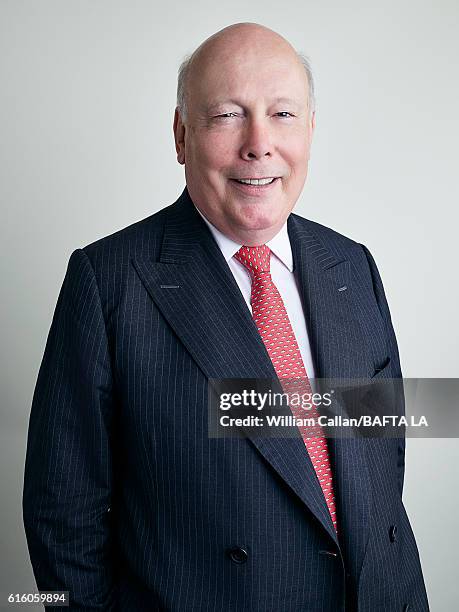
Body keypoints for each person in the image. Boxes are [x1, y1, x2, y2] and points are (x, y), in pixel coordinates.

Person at [23, 22, 429, 612]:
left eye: (283, 114)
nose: (259, 144)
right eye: (227, 115)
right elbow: (62, 513)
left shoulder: (353, 265)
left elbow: (381, 449)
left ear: (312, 129)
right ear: (181, 135)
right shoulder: (108, 281)